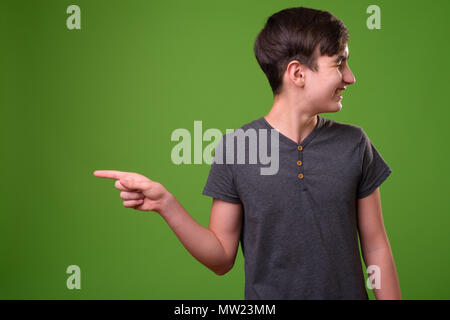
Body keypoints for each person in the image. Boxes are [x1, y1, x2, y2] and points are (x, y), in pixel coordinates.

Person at [93, 6, 401, 300]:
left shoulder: (355, 144)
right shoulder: (236, 150)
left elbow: (375, 247)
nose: (350, 77)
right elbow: (221, 258)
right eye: (339, 63)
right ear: (297, 74)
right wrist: (166, 204)